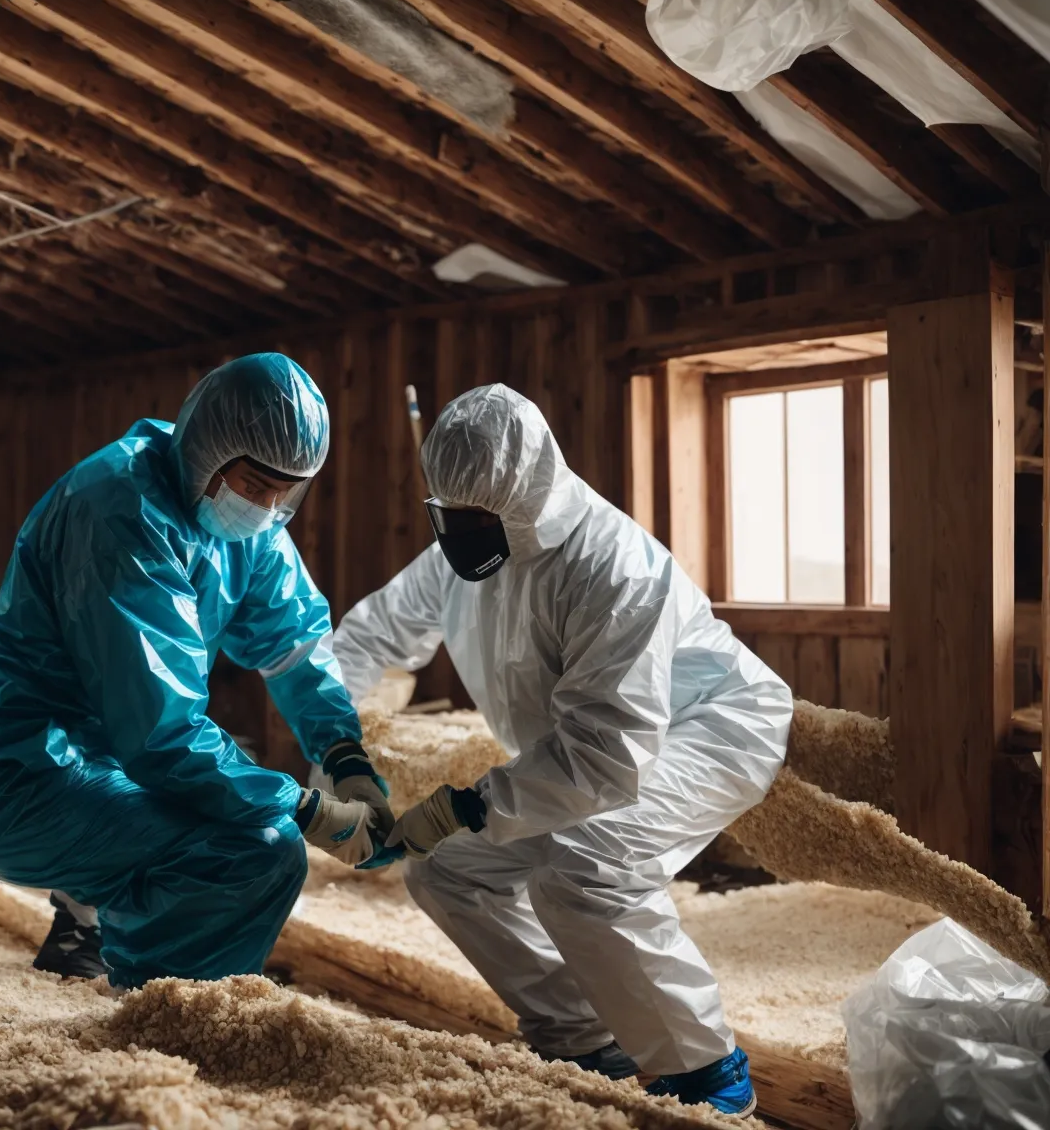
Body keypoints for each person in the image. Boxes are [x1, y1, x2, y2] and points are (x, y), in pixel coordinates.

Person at [331, 385, 789, 1116]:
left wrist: (466, 806)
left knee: (587, 866)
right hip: (583, 753)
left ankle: (705, 1077)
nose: (461, 532)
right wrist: (339, 756)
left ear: (528, 494)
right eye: (450, 514)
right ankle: (581, 1037)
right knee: (445, 871)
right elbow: (367, 639)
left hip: (708, 728)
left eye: (479, 516)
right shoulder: (461, 550)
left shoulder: (614, 569)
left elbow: (606, 756)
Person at [0, 353, 394, 988]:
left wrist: (345, 757)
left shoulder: (250, 525)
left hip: (93, 758)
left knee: (226, 804)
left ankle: (92, 939)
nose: (269, 506)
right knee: (259, 849)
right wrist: (308, 811)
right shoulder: (119, 508)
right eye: (256, 485)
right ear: (206, 448)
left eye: (290, 491)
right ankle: (167, 1016)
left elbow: (296, 644)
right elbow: (159, 734)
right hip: (8, 768)